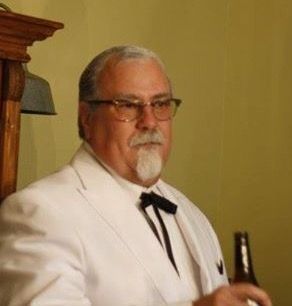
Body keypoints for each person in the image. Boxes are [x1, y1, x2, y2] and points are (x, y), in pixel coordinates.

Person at [0, 46, 271, 306]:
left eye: (161, 104)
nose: (150, 121)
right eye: (128, 105)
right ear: (86, 118)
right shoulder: (38, 211)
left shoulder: (192, 215)